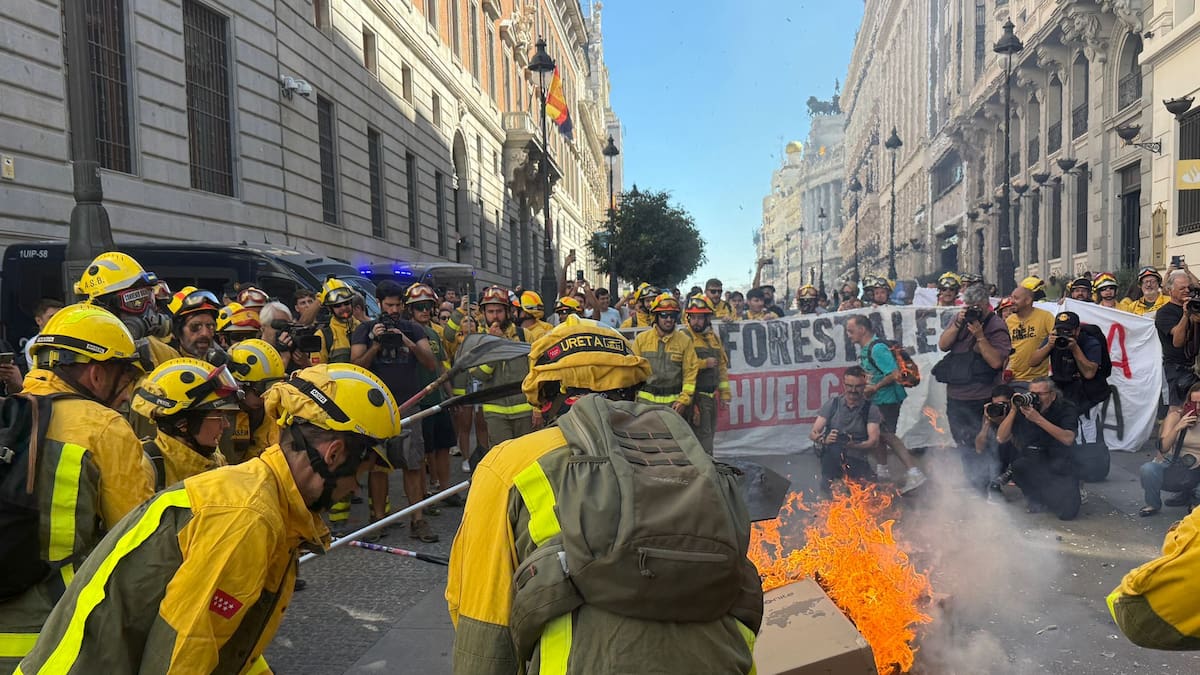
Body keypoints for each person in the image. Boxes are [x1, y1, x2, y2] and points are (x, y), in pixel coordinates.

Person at [17, 364, 400, 674]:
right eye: (360, 473)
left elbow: (227, 640)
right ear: (333, 454)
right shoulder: (248, 517)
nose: (355, 487)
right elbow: (182, 656)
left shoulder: (261, 501)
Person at [446, 316, 761, 674]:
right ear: (633, 387)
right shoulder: (690, 457)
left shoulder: (509, 464)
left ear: (545, 396)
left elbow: (484, 618)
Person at [0, 304, 153, 669]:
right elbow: (139, 548)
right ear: (97, 373)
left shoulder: (9, 414)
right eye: (125, 378)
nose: (127, 394)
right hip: (53, 641)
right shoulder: (104, 428)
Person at [350, 279, 440, 542]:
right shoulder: (365, 330)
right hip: (377, 409)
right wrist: (376, 345)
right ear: (378, 303)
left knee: (413, 465)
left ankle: (418, 520)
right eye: (389, 305)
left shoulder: (413, 328)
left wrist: (407, 342)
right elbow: (355, 367)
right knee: (378, 467)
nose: (394, 310)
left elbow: (430, 364)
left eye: (398, 305)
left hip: (409, 406)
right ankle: (378, 520)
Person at [936, 283, 1012, 492]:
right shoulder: (959, 319)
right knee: (963, 442)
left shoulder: (995, 326)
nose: (973, 311)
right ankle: (974, 484)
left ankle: (991, 485)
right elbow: (943, 345)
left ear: (986, 304)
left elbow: (996, 362)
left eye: (977, 307)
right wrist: (957, 323)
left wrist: (980, 335)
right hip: (957, 396)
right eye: (969, 306)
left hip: (983, 396)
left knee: (986, 444)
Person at [845, 315, 927, 493]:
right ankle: (883, 472)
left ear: (862, 329)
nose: (848, 335)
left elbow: (895, 373)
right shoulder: (867, 349)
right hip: (877, 400)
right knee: (878, 435)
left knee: (888, 435)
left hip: (886, 400)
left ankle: (914, 473)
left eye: (851, 331)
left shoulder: (877, 349)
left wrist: (875, 388)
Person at [131, 358, 240, 489]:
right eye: (218, 416)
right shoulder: (145, 468)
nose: (226, 424)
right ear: (182, 424)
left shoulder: (214, 458)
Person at [404, 283, 461, 510]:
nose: (425, 311)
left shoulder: (435, 333)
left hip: (438, 399)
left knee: (443, 446)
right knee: (422, 452)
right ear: (410, 309)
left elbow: (441, 366)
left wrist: (450, 395)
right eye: (419, 307)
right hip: (418, 402)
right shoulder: (406, 333)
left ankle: (445, 490)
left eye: (428, 306)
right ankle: (425, 494)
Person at [995, 378, 1082, 519]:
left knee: (1067, 514)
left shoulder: (1065, 407)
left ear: (1052, 395)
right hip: (1033, 461)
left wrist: (1038, 419)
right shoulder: (1025, 408)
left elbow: (1068, 438)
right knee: (1019, 467)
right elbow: (1001, 438)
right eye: (1032, 393)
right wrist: (1013, 410)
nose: (1035, 398)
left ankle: (1058, 495)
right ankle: (1036, 499)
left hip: (1060, 464)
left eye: (1040, 394)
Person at [76, 251, 177, 365]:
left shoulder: (166, 355)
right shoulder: (80, 361)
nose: (148, 310)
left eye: (150, 297)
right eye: (135, 302)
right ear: (105, 310)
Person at [474, 285, 537, 449]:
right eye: (490, 311)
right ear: (484, 313)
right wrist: (494, 345)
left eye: (499, 311)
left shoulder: (524, 335)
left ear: (508, 312)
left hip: (525, 411)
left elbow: (536, 371)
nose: (495, 316)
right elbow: (479, 374)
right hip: (496, 413)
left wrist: (537, 408)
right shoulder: (478, 340)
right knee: (501, 458)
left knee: (526, 457)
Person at [810, 366, 883, 495]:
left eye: (858, 386)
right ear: (844, 385)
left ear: (864, 386)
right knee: (829, 493)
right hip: (832, 459)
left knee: (872, 495)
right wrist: (824, 440)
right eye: (849, 386)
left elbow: (873, 441)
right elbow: (813, 433)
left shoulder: (870, 409)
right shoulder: (833, 404)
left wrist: (853, 445)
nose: (853, 390)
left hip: (857, 459)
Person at [1138, 383, 1200, 517]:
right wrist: (1178, 427)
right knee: (1148, 469)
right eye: (1194, 403)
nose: (1198, 407)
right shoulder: (1176, 416)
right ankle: (1152, 504)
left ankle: (1195, 505)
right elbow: (1163, 448)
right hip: (1176, 463)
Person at [221, 339, 287, 464]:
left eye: (274, 388)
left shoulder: (272, 410)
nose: (268, 396)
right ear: (239, 385)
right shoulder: (220, 419)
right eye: (262, 389)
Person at [632, 293, 699, 413]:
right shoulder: (641, 340)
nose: (669, 319)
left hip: (674, 408)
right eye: (664, 315)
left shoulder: (684, 341)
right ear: (656, 316)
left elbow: (690, 373)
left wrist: (684, 400)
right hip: (645, 408)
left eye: (672, 315)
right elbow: (633, 372)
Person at [681, 294, 730, 454]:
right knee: (703, 440)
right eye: (693, 317)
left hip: (711, 397)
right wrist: (703, 364)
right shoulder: (684, 337)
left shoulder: (713, 338)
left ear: (707, 319)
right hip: (696, 397)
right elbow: (681, 367)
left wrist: (724, 394)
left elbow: (721, 366)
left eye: (700, 318)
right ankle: (705, 467)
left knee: (709, 435)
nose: (696, 321)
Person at [1156, 270, 1197, 411]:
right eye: (1182, 288)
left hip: (1195, 367)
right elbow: (1177, 342)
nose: (1187, 291)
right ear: (1170, 291)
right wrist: (1186, 315)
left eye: (1188, 288)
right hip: (1177, 369)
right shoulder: (1164, 312)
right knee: (1176, 410)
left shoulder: (1196, 307)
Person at [1005, 283, 1055, 385]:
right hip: (1014, 379)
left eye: (1016, 298)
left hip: (1039, 381)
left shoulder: (1045, 317)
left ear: (1028, 300)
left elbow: (1055, 337)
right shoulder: (1009, 321)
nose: (1011, 301)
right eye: (1011, 298)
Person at [975, 384, 1018, 503]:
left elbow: (1009, 440)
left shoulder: (1020, 413)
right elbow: (979, 448)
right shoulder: (992, 414)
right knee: (990, 450)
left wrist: (1010, 415)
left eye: (1003, 404)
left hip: (1017, 455)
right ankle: (993, 485)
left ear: (1011, 403)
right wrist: (987, 423)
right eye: (996, 404)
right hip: (999, 457)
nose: (999, 408)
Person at [311, 277, 361, 364]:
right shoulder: (322, 336)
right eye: (337, 305)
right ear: (329, 308)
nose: (343, 308)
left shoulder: (363, 328)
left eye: (346, 303)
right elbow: (318, 369)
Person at [166, 286, 222, 360]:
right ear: (177, 331)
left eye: (210, 326)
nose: (205, 333)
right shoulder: (160, 358)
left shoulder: (222, 361)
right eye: (195, 326)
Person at [17, 298, 64, 373]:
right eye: (52, 317)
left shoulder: (70, 338)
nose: (57, 320)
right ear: (38, 320)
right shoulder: (34, 344)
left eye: (60, 316)